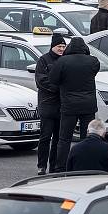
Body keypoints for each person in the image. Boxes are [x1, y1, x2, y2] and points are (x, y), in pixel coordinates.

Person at [50, 37, 100, 172]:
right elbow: (94, 72)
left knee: (64, 138)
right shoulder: (93, 61)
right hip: (88, 105)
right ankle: (85, 166)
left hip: (69, 105)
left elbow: (53, 80)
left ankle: (60, 167)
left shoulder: (62, 61)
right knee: (88, 137)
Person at [34, 32, 66, 175]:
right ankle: (41, 166)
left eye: (63, 46)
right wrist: (58, 88)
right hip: (47, 105)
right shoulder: (43, 60)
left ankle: (54, 166)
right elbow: (41, 80)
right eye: (59, 46)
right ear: (53, 46)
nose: (61, 49)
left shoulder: (66, 60)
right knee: (45, 137)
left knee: (58, 139)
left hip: (62, 106)